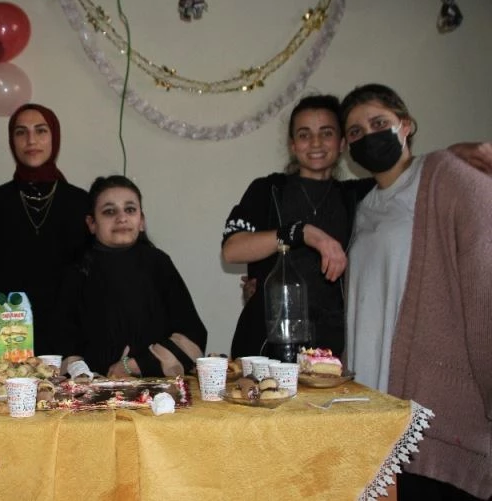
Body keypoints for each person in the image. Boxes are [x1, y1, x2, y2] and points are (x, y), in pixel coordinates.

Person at [341, 84, 492, 501]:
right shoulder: (364, 205)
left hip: (435, 407)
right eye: (355, 132)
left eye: (379, 123)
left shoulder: (444, 174)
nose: (368, 136)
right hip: (374, 404)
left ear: (405, 125)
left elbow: (483, 284)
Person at [222, 95, 374, 359]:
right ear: (293, 145)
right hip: (265, 345)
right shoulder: (267, 190)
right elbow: (232, 250)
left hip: (333, 349)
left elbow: (407, 175)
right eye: (304, 135)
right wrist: (300, 233)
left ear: (342, 143)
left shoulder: (358, 196)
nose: (315, 143)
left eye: (326, 133)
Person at [54, 175, 207, 377]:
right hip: (91, 390)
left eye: (130, 210)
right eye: (109, 211)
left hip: (157, 388)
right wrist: (85, 376)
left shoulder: (158, 264)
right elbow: (63, 342)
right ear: (91, 223)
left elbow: (192, 334)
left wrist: (134, 366)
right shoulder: (76, 271)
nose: (122, 218)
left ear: (141, 221)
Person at [0, 103, 89, 355]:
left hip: (69, 333)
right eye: (21, 132)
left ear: (55, 137)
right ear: (12, 141)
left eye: (41, 130)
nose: (31, 140)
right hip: (7, 335)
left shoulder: (80, 202)